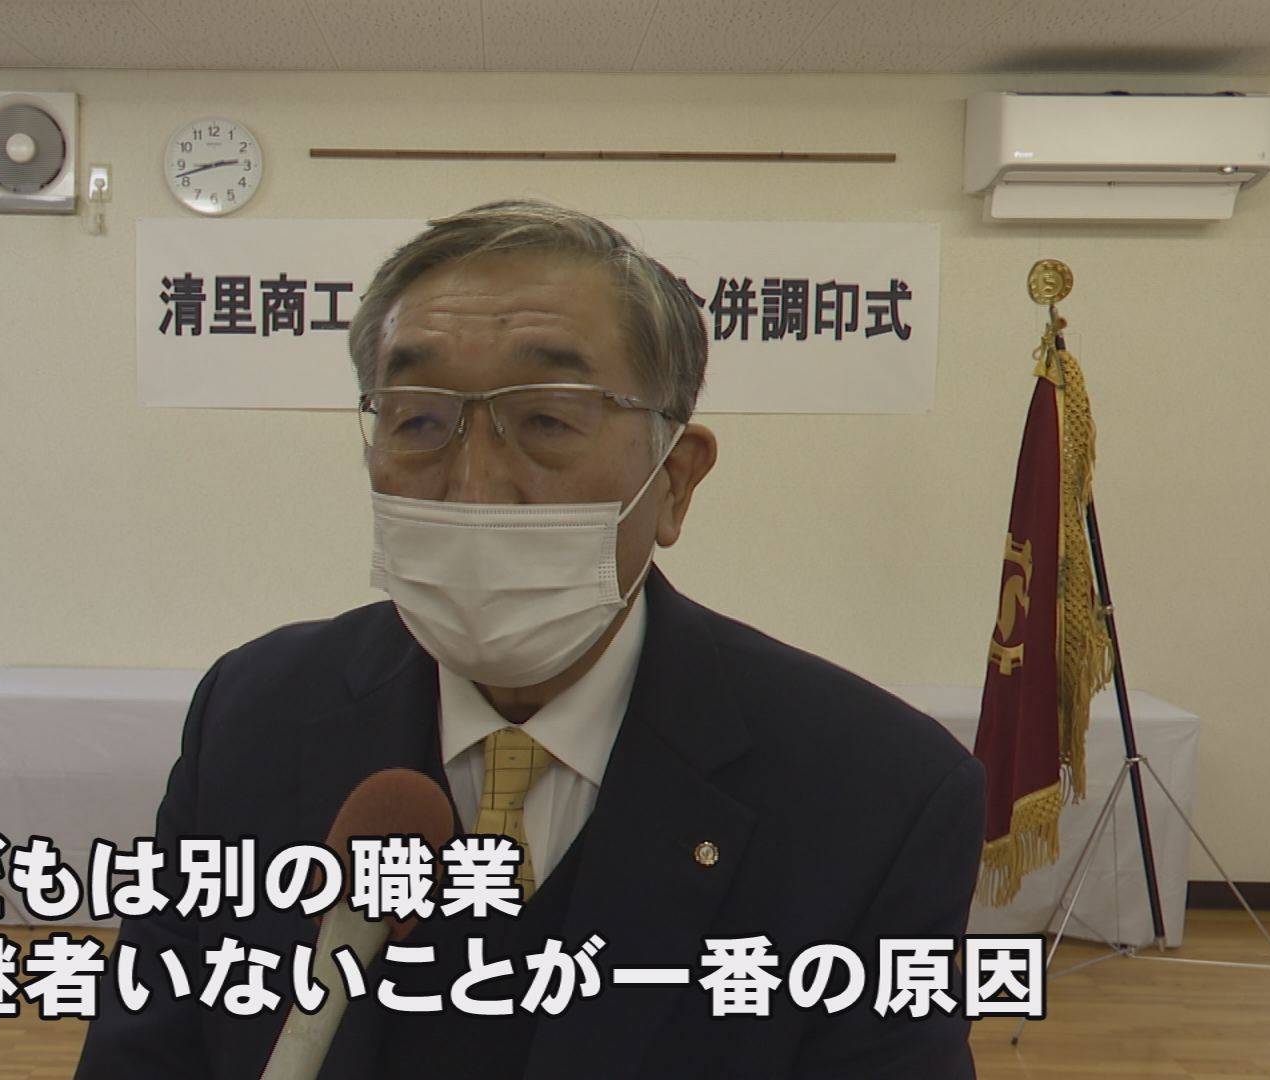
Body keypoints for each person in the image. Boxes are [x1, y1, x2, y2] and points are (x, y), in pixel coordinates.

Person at [73, 201, 984, 1078]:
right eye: (419, 420)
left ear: (675, 481)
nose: (474, 485)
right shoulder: (253, 714)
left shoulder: (876, 795)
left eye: (547, 419)